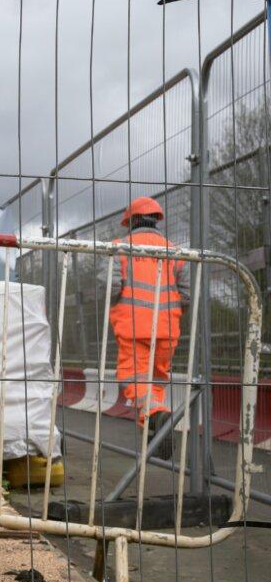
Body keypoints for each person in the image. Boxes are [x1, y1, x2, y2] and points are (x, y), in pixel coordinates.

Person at [110, 196, 190, 461]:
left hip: (132, 326)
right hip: (167, 329)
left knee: (133, 377)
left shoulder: (119, 248)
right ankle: (155, 424)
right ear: (157, 219)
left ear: (131, 221)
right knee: (156, 379)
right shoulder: (176, 251)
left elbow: (111, 288)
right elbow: (185, 296)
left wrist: (115, 307)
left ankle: (156, 416)